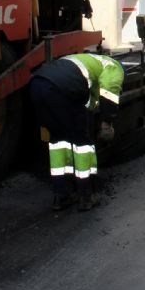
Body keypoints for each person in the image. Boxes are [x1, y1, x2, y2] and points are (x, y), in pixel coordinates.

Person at [30, 53, 124, 212]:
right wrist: (107, 123)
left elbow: (90, 97)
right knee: (82, 145)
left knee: (58, 142)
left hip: (37, 86)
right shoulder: (114, 68)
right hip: (63, 90)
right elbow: (108, 95)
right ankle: (86, 196)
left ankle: (61, 196)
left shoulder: (86, 61)